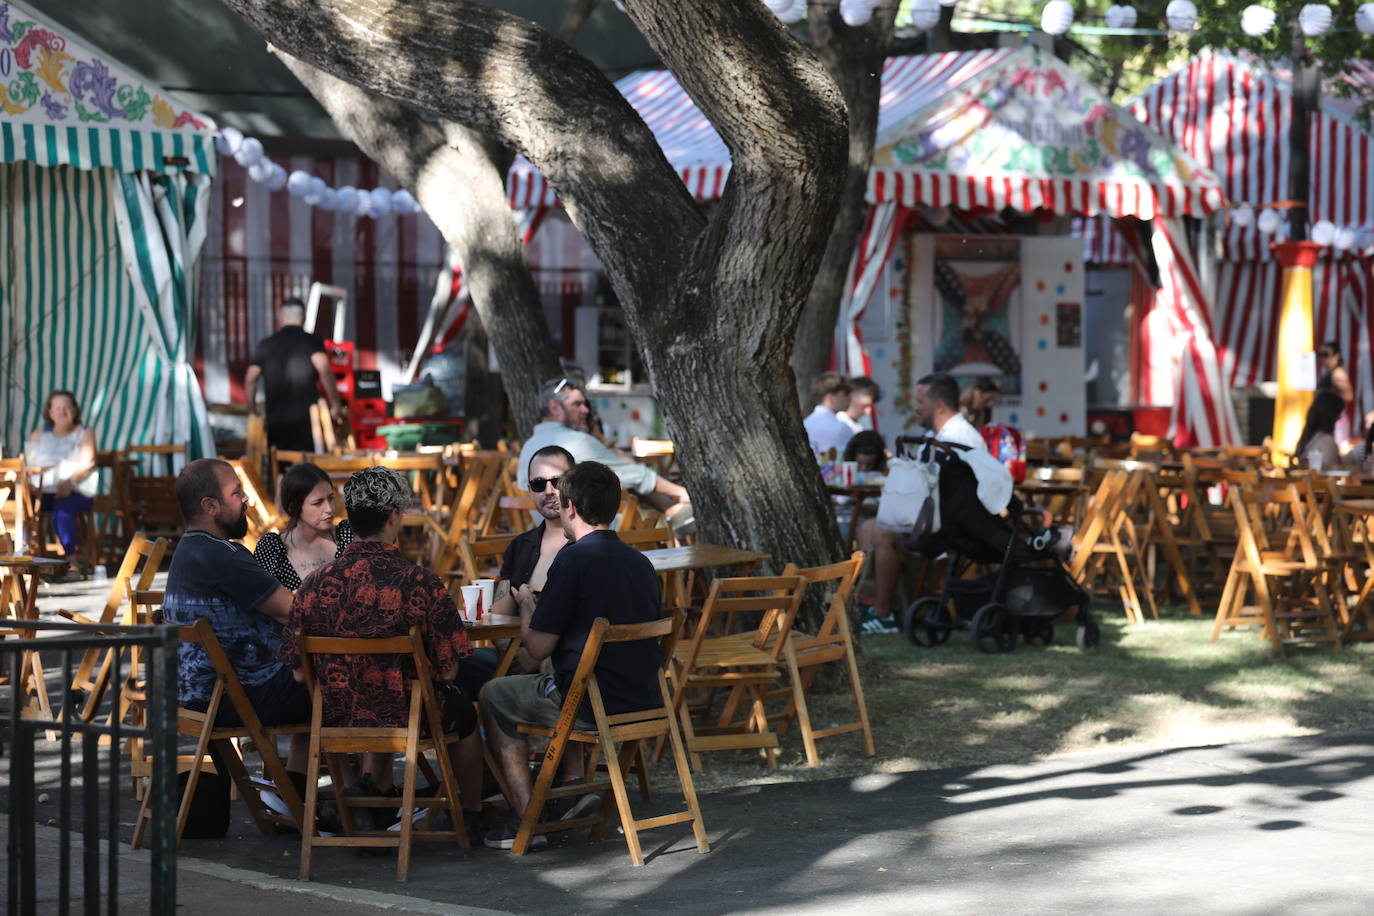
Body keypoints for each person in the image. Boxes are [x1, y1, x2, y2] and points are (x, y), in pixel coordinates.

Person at [280, 467, 486, 839]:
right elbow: (450, 670)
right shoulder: (420, 582)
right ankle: (471, 814)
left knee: (384, 690)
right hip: (407, 716)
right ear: (393, 516)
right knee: (464, 711)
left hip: (336, 717)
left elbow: (297, 673)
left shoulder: (313, 585)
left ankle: (371, 796)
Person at [479, 461, 663, 850]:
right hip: (644, 700)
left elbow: (537, 647)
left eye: (561, 503)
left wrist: (528, 604)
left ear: (572, 508)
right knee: (558, 676)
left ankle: (527, 815)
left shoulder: (573, 559)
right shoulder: (642, 563)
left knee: (495, 693)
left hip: (590, 705)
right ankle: (571, 787)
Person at [161, 459, 310, 801]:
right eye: (237, 493)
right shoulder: (223, 555)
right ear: (210, 506)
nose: (247, 500)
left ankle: (296, 795)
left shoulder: (188, 549)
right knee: (349, 681)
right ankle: (367, 797)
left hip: (196, 697)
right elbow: (295, 610)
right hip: (237, 697)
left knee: (322, 678)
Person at [517, 377, 690, 518]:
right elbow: (638, 476)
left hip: (548, 534)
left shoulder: (528, 445)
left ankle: (671, 514)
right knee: (681, 510)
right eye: (577, 404)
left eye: (585, 404)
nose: (585, 410)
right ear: (555, 408)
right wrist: (680, 492)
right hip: (590, 536)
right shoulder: (577, 442)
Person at [243, 297, 345, 452]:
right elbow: (324, 370)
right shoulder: (311, 341)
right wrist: (336, 404)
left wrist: (252, 411)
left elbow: (250, 379)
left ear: (280, 317)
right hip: (307, 420)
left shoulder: (266, 344)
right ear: (303, 318)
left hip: (275, 420)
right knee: (306, 467)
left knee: (278, 468)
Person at [491, 446, 575, 617]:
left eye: (558, 482)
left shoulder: (591, 543)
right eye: (539, 484)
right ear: (530, 490)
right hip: (521, 642)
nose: (549, 491)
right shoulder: (519, 546)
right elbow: (500, 619)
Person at [26, 390, 98, 580]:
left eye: (66, 407)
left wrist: (70, 482)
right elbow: (29, 464)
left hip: (75, 490)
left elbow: (88, 462)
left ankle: (72, 564)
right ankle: (25, 559)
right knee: (19, 505)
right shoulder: (39, 434)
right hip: (43, 491)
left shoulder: (84, 432)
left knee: (62, 513)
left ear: (75, 410)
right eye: (57, 408)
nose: (62, 412)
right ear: (49, 412)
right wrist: (31, 485)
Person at [253, 463, 354, 591]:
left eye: (330, 498)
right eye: (318, 503)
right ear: (293, 507)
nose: (329, 509)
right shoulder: (273, 550)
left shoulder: (347, 536)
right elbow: (264, 600)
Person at [917, 373, 987, 452]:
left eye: (920, 402)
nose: (916, 408)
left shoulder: (963, 439)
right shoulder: (930, 435)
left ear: (939, 406)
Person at [803, 372, 854, 455]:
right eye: (846, 394)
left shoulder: (805, 424)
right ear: (830, 397)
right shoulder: (842, 428)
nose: (850, 398)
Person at [1294, 390, 1345, 470]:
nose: (1340, 417)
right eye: (1338, 413)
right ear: (1331, 415)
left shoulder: (1310, 437)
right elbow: (1332, 474)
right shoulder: (1326, 441)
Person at [1317, 342, 1354, 443]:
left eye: (1326, 354)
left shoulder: (1338, 373)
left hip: (1337, 421)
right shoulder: (1330, 372)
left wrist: (1331, 395)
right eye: (1321, 354)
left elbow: (1348, 396)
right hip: (1328, 419)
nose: (1323, 358)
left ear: (1336, 355)